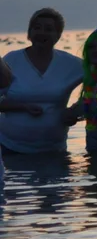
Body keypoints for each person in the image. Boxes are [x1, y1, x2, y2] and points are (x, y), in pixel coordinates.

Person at [0, 8, 84, 154]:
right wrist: (23, 107)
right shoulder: (11, 60)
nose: (42, 33)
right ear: (29, 33)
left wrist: (76, 110)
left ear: (58, 35)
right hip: (9, 149)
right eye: (37, 28)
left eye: (49, 29)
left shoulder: (70, 63)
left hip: (54, 152)